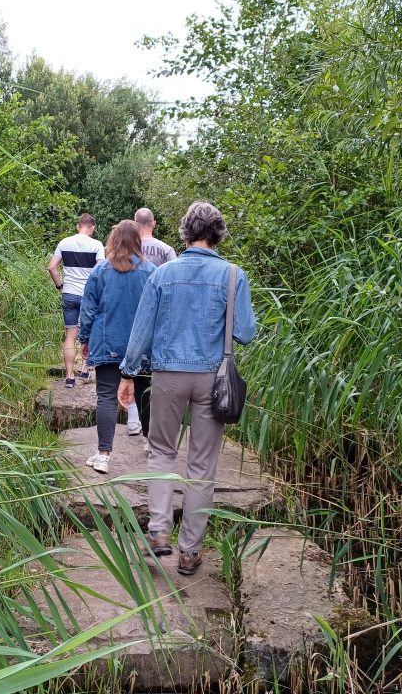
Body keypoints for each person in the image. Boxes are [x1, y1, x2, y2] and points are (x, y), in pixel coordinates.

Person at [118, 201, 256, 576]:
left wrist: (128, 374)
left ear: (185, 231)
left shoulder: (163, 275)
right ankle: (190, 552)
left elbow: (142, 329)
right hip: (212, 378)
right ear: (218, 232)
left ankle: (159, 532)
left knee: (162, 453)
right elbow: (246, 332)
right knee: (201, 467)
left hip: (167, 375)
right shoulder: (233, 275)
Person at [77, 220, 156, 474]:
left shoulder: (101, 271)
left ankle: (103, 455)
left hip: (107, 342)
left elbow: (88, 310)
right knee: (145, 395)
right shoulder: (151, 272)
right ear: (137, 241)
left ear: (114, 241)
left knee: (107, 397)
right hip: (142, 347)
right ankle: (153, 446)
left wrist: (84, 340)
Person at [126, 207, 178, 436]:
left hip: (131, 315)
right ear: (153, 223)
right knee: (151, 372)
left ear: (136, 224)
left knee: (130, 366)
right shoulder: (166, 250)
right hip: (159, 319)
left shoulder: (127, 250)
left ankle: (133, 419)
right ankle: (153, 425)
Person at [48, 214, 105, 387]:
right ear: (93, 227)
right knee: (87, 334)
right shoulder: (96, 245)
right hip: (89, 296)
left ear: (77, 226)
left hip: (69, 293)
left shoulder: (64, 243)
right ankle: (85, 370)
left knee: (70, 335)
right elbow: (101, 270)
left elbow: (51, 267)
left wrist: (60, 286)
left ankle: (69, 377)